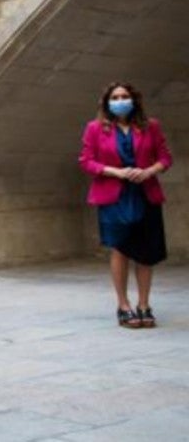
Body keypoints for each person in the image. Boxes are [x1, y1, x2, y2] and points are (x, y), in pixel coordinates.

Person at [78, 82, 172, 329]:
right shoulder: (95, 128)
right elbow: (86, 162)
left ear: (134, 100)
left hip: (145, 193)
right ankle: (123, 305)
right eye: (115, 97)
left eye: (125, 96)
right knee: (120, 249)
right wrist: (116, 172)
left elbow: (165, 157)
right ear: (107, 102)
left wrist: (149, 171)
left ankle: (143, 305)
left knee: (145, 252)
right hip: (113, 196)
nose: (120, 100)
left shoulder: (151, 126)